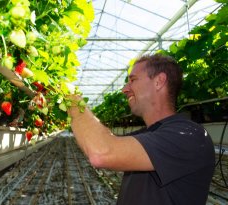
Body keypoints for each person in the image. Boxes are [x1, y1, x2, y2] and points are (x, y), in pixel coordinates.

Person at [67, 54, 215, 205]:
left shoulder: (189, 136)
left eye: (132, 80)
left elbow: (101, 152)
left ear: (159, 81)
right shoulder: (148, 133)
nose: (125, 89)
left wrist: (71, 99)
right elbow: (106, 141)